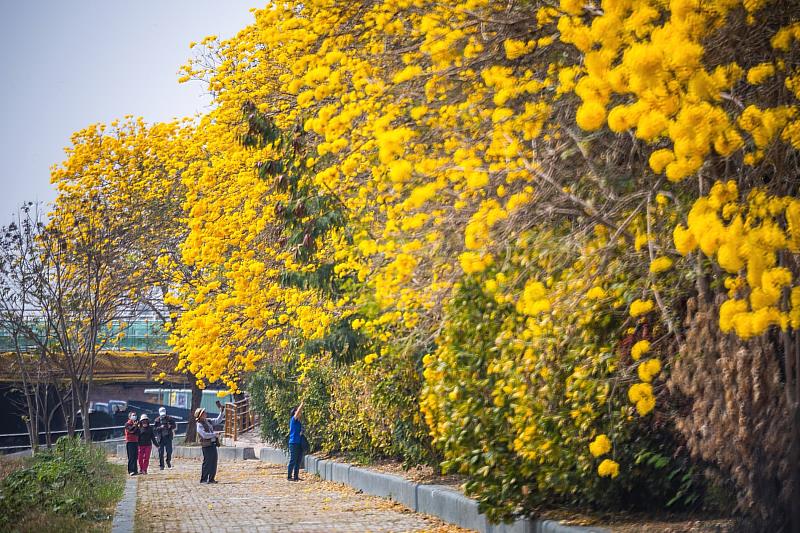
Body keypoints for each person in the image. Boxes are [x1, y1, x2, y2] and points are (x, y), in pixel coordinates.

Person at [196, 400, 225, 484]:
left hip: (212, 444)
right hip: (206, 445)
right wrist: (214, 434)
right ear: (200, 415)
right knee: (207, 462)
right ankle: (204, 479)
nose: (205, 413)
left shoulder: (207, 421)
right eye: (203, 413)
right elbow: (204, 435)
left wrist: (221, 412)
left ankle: (211, 479)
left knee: (213, 461)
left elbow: (217, 420)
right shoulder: (199, 424)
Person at [287, 400, 304, 481]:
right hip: (293, 443)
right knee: (293, 459)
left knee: (298, 460)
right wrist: (302, 404)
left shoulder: (298, 422)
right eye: (297, 411)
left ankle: (296, 476)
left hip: (299, 442)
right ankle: (289, 476)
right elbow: (298, 412)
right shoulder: (293, 420)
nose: (299, 413)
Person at [124, 412, 140, 476]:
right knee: (131, 457)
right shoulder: (127, 424)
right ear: (129, 417)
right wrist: (135, 426)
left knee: (135, 456)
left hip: (135, 441)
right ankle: (130, 470)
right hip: (130, 442)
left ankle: (135, 470)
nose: (134, 416)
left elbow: (137, 432)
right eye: (133, 415)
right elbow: (131, 430)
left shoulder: (136, 423)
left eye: (135, 415)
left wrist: (136, 426)